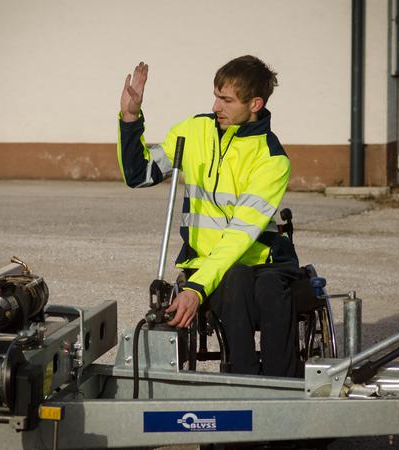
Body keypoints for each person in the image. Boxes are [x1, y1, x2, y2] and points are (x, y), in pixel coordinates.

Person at [117, 56, 302, 377]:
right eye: (216, 95)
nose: (216, 105)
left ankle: (284, 385)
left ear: (255, 103)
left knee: (265, 286)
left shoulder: (272, 159)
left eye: (227, 100)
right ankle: (242, 380)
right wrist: (131, 119)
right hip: (207, 265)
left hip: (263, 260)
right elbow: (139, 174)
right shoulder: (193, 131)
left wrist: (197, 289)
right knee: (236, 279)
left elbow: (240, 235)